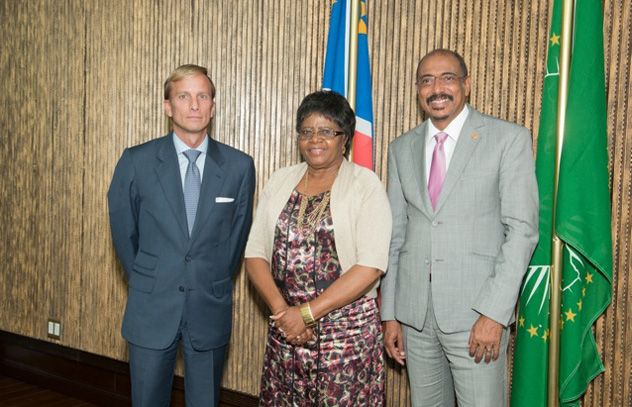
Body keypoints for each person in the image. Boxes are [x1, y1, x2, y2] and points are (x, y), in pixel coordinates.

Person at [380, 49, 539, 406]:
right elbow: (396, 237)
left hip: (476, 316)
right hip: (415, 318)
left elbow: (522, 232)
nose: (437, 88)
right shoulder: (401, 148)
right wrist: (390, 314)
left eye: (447, 78)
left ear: (466, 84)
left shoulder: (507, 139)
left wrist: (494, 314)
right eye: (426, 80)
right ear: (418, 90)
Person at [107, 64, 255, 407]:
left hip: (209, 305)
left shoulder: (239, 167)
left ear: (213, 106)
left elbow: (235, 240)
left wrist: (209, 275)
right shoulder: (136, 161)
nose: (194, 105)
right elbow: (123, 232)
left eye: (203, 96)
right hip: (152, 306)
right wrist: (151, 275)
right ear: (167, 105)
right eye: (184, 96)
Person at [244, 90, 392, 406]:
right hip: (287, 333)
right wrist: (284, 313)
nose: (315, 140)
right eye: (307, 131)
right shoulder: (281, 179)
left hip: (346, 339)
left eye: (327, 131)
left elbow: (371, 265)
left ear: (345, 138)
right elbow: (254, 252)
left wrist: (308, 314)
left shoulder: (365, 185)